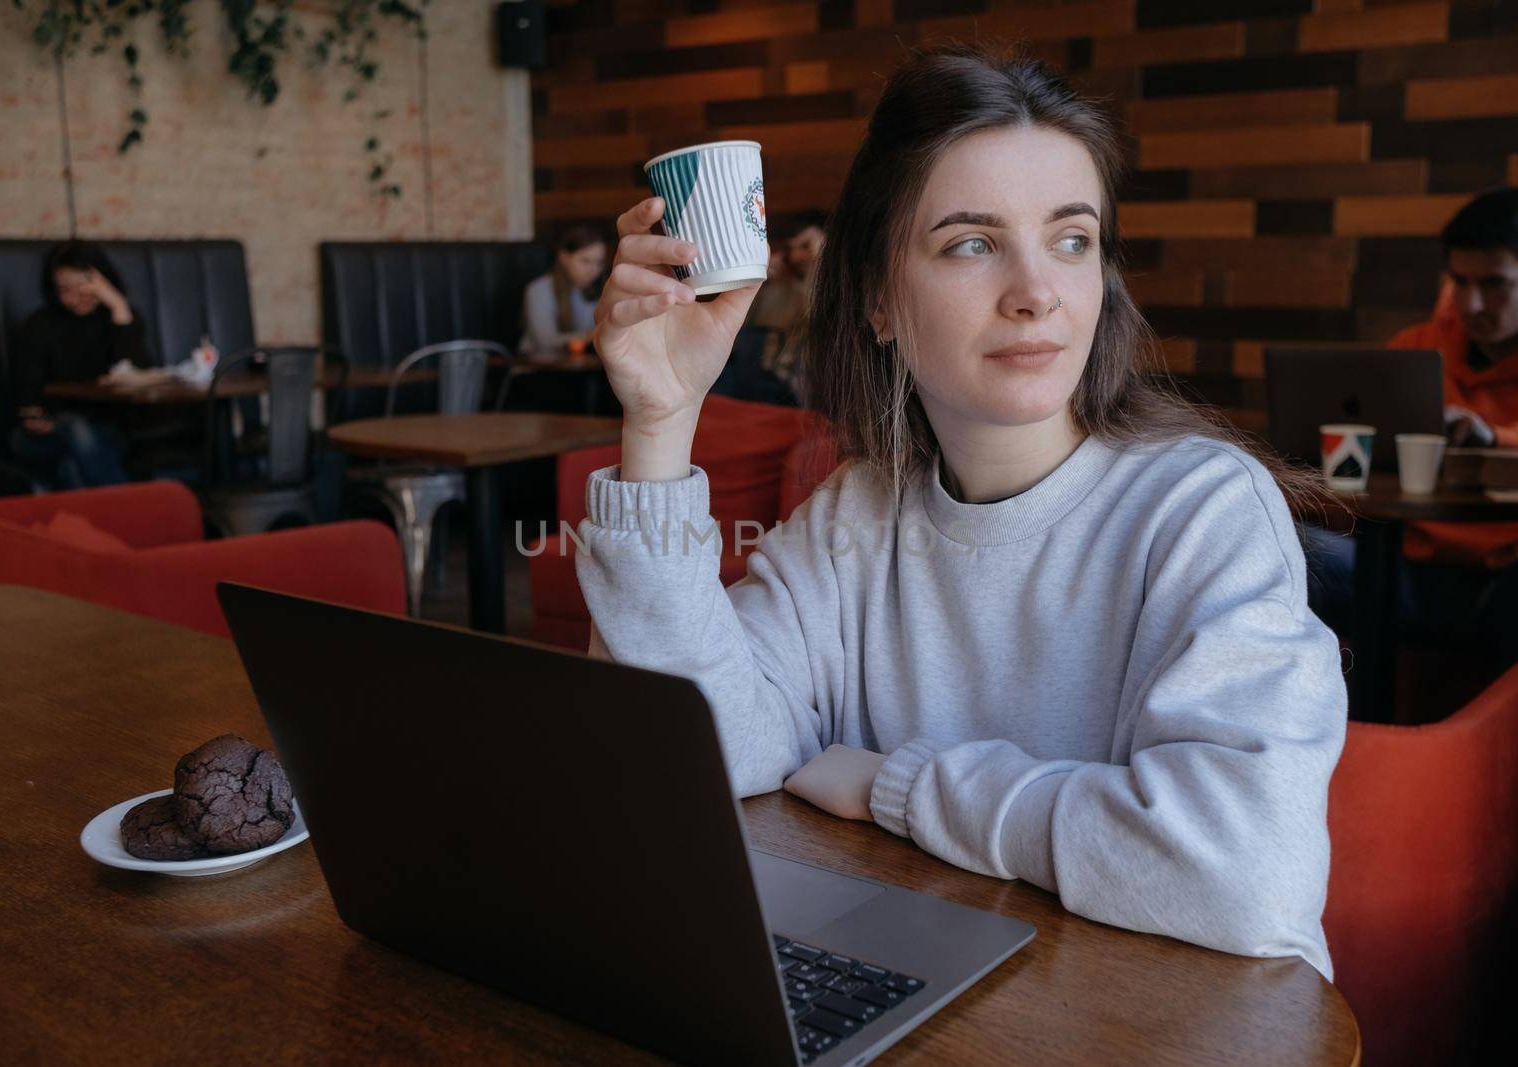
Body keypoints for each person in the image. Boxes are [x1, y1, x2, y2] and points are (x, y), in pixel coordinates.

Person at [575, 46, 1346, 978]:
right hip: (949, 997)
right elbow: (682, 753)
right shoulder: (852, 516)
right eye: (972, 243)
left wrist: (900, 786)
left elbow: (1243, 872)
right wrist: (660, 422)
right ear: (877, 300)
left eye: (1072, 239)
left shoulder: (1201, 511)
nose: (1037, 292)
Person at [1304, 187, 1518, 671]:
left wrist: (1496, 438)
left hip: (1508, 576)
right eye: (1460, 281)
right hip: (1403, 567)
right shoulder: (1417, 348)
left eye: (1496, 284)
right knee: (1284, 548)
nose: (1473, 304)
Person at [10, 240, 149, 489]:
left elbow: (135, 375)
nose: (75, 298)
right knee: (76, 428)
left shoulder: (121, 318)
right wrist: (33, 415)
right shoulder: (39, 325)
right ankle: (128, 512)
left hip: (108, 430)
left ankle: (98, 524)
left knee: (71, 465)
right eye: (65, 290)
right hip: (41, 433)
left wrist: (118, 307)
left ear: (103, 283)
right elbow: (25, 386)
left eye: (84, 287)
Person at [745, 210, 826, 395]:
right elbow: (744, 327)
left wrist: (818, 267)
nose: (799, 256)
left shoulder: (824, 292)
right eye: (795, 247)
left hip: (788, 387)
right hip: (748, 374)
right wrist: (757, 282)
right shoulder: (775, 285)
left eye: (807, 247)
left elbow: (815, 317)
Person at [518, 226, 608, 361]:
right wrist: (591, 335)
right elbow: (544, 341)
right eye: (586, 261)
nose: (593, 270)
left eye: (599, 263)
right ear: (564, 258)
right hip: (537, 369)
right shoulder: (539, 289)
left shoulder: (598, 291)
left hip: (581, 367)